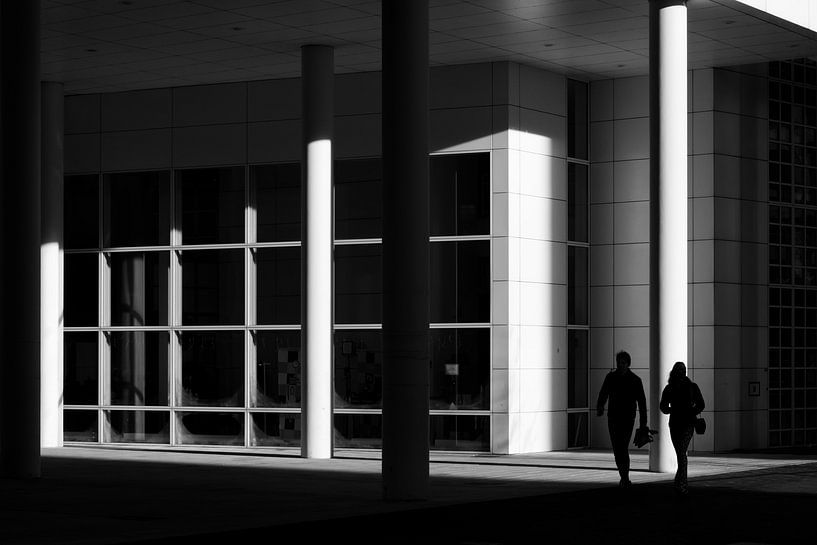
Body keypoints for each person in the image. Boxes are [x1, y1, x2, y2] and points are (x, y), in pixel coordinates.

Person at [596, 350, 648, 488]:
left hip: (626, 418)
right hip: (614, 417)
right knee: (617, 448)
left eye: (623, 363)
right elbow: (603, 394)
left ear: (628, 364)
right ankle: (624, 477)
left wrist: (643, 424)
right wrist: (600, 406)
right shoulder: (612, 377)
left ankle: (624, 477)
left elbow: (642, 403)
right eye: (619, 363)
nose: (620, 365)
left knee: (622, 447)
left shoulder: (635, 380)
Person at [660, 361, 705, 496]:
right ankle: (680, 483)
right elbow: (663, 406)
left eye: (683, 369)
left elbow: (663, 407)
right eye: (680, 369)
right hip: (680, 424)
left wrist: (674, 410)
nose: (682, 372)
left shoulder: (676, 388)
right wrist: (690, 411)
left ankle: (681, 483)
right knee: (681, 453)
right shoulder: (682, 387)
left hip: (683, 424)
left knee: (681, 453)